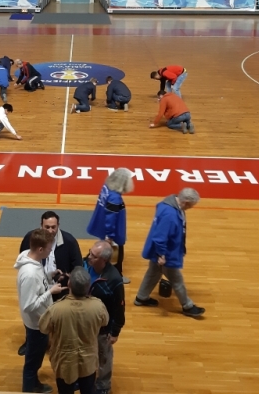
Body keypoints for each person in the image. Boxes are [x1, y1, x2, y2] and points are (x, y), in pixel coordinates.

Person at [18, 211, 84, 356]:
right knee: (34, 317)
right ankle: (30, 342)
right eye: (46, 227)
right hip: (39, 285)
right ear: (41, 225)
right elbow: (25, 257)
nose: (50, 230)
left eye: (53, 227)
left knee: (60, 319)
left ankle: (58, 344)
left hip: (61, 288)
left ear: (58, 225)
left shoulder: (69, 241)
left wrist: (68, 279)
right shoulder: (31, 238)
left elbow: (78, 266)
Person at [134, 188, 205, 318]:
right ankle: (187, 306)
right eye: (191, 206)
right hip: (167, 253)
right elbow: (160, 238)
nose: (190, 208)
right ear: (186, 202)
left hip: (162, 250)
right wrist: (161, 255)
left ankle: (141, 297)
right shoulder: (170, 215)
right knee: (177, 280)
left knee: (153, 273)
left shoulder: (168, 204)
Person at [38, 267, 109, 394]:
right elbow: (105, 321)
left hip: (64, 362)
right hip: (88, 361)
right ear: (88, 287)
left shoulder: (56, 309)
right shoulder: (98, 306)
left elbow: (43, 327)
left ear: (69, 284)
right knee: (88, 390)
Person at [15, 228, 68, 394]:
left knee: (35, 360)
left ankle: (34, 384)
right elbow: (29, 305)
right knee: (32, 363)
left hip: (40, 320)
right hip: (36, 324)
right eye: (49, 248)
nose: (51, 251)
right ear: (40, 249)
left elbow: (38, 286)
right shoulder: (30, 274)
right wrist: (50, 292)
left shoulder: (31, 259)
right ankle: (29, 389)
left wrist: (50, 276)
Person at [84, 241, 126, 394]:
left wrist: (115, 332)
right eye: (90, 252)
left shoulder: (114, 279)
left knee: (104, 356)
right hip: (84, 322)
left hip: (102, 328)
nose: (89, 257)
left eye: (94, 256)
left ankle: (103, 386)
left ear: (104, 260)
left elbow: (119, 307)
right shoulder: (85, 263)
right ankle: (83, 379)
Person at [87, 168, 133, 281]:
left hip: (103, 227)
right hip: (113, 232)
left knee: (105, 254)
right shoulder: (115, 198)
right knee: (116, 256)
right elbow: (111, 218)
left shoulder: (106, 187)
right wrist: (110, 236)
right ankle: (116, 277)